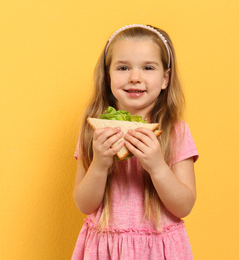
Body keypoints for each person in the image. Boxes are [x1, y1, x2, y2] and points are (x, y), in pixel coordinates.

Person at [72, 24, 199, 260]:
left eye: (148, 67)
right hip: (105, 248)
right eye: (123, 67)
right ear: (107, 76)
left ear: (165, 78)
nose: (135, 78)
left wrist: (157, 165)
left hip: (159, 250)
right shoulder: (93, 131)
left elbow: (184, 206)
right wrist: (99, 164)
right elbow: (84, 204)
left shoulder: (176, 131)